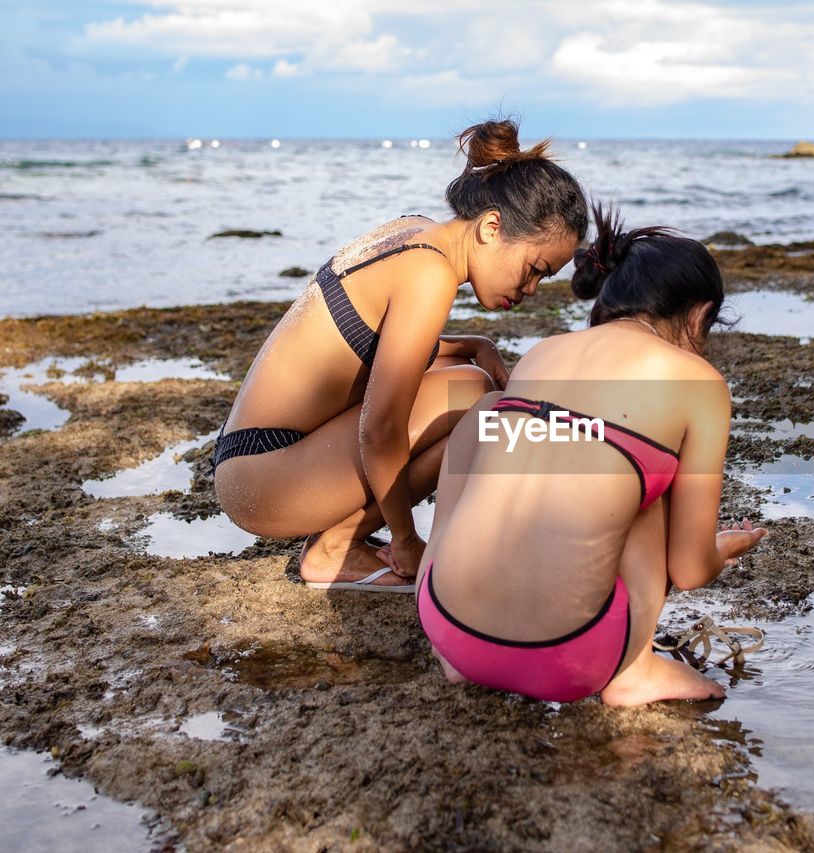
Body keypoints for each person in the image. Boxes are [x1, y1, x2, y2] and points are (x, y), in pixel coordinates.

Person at [214, 119, 587, 592]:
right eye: (534, 270)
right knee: (475, 393)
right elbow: (381, 429)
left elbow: (367, 339)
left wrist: (472, 345)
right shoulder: (429, 276)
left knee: (470, 379)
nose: (531, 289)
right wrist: (406, 538)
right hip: (265, 482)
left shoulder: (415, 233)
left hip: (250, 460)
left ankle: (344, 539)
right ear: (492, 227)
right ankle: (338, 548)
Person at [416, 205, 768, 706]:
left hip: (447, 628)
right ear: (699, 314)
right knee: (641, 473)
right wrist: (722, 550)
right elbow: (689, 569)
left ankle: (457, 638)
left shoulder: (544, 351)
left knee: (490, 414)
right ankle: (635, 671)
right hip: (568, 657)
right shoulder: (700, 383)